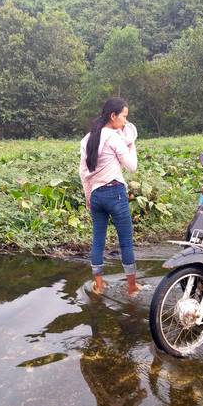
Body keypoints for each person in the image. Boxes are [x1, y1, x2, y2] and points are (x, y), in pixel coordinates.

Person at [79, 97, 142, 296]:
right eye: (124, 117)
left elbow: (83, 172)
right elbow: (132, 166)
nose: (125, 121)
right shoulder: (115, 138)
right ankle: (132, 288)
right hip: (115, 193)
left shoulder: (87, 139)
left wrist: (88, 196)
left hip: (96, 196)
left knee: (98, 240)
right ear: (113, 116)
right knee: (125, 241)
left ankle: (99, 284)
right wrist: (131, 144)